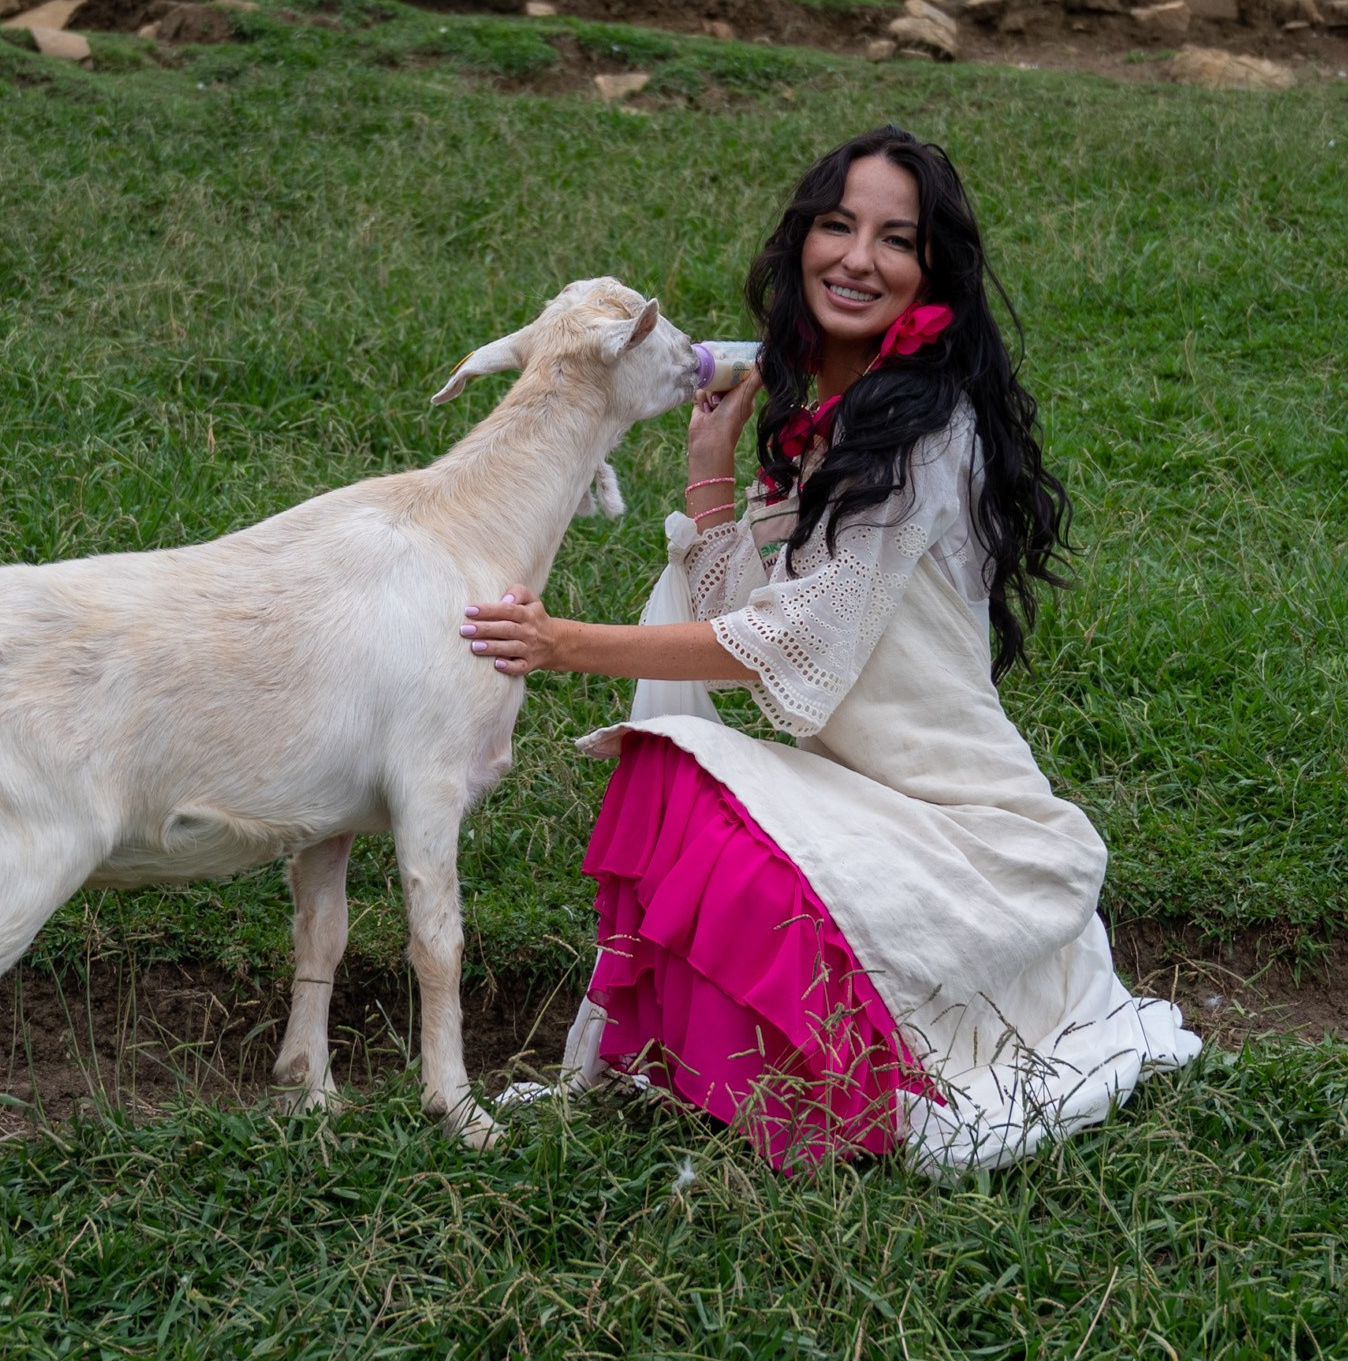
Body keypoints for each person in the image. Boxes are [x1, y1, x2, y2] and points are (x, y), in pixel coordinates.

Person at [462, 127, 1199, 1176]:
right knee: (670, 766)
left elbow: (785, 643)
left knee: (678, 764)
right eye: (836, 225)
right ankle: (730, 1089)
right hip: (867, 801)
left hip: (967, 834)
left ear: (928, 273)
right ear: (801, 241)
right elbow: (760, 615)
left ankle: (815, 1108)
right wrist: (711, 464)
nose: (856, 257)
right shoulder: (822, 416)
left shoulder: (921, 427)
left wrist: (557, 641)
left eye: (893, 240)